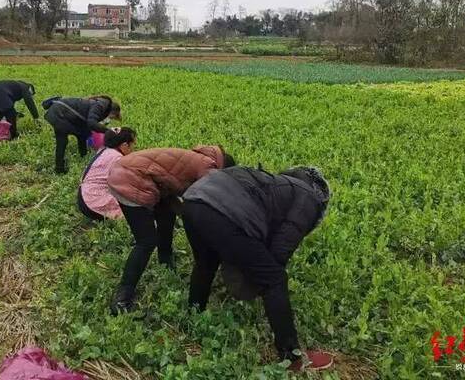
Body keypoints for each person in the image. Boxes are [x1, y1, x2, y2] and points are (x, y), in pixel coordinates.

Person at [181, 166, 332, 370]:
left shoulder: (277, 184)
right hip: (221, 211)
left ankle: (193, 318)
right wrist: (259, 278)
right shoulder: (309, 198)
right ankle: (292, 357)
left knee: (205, 264)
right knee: (275, 279)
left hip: (193, 200)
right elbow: (280, 249)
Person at [106, 145, 236, 314]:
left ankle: (165, 259)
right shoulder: (209, 168)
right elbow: (209, 202)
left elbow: (175, 192)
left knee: (166, 213)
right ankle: (122, 298)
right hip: (131, 180)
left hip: (127, 173)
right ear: (223, 169)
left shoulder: (197, 158)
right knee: (146, 241)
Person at [43, 95, 121, 174]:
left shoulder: (101, 104)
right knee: (63, 140)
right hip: (60, 113)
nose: (109, 120)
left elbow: (87, 124)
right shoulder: (100, 106)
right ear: (111, 111)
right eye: (111, 117)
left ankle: (81, 156)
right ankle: (60, 169)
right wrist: (108, 131)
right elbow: (91, 123)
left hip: (59, 111)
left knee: (82, 134)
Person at [78, 127, 137, 221]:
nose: (133, 148)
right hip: (93, 201)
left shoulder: (104, 150)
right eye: (133, 145)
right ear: (125, 145)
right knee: (136, 210)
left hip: (84, 196)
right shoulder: (117, 158)